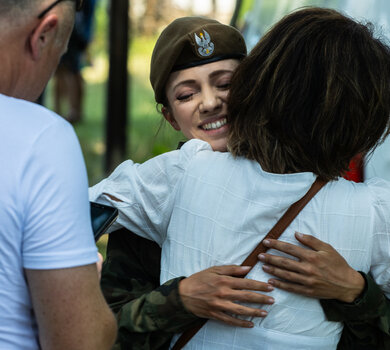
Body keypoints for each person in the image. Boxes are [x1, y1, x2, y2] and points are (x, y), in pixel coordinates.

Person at [97, 14, 390, 349]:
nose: (210, 103)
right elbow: (104, 333)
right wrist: (179, 299)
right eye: (186, 94)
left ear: (255, 87)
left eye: (225, 84)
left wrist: (355, 291)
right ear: (168, 116)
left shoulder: (348, 207)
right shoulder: (159, 191)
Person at [0, 1, 117, 349]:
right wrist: (84, 284)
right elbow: (80, 341)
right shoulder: (41, 137)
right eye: (58, 54)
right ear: (44, 33)